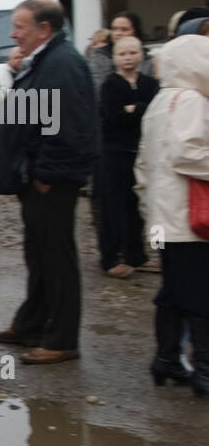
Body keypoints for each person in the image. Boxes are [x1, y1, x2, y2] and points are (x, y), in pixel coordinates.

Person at [0, 0, 99, 365]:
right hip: (35, 178)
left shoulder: (63, 64)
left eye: (20, 27)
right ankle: (31, 324)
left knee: (57, 258)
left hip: (51, 181)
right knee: (38, 254)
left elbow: (68, 127)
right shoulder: (44, 61)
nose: (12, 33)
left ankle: (62, 339)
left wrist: (47, 176)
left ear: (44, 30)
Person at [134, 34, 209, 396]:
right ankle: (204, 370)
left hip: (163, 220)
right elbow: (188, 154)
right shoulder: (192, 99)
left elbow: (143, 165)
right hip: (187, 220)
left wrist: (147, 209)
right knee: (200, 294)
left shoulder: (159, 101)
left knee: (173, 290)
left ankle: (167, 359)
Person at [95, 36, 159, 278]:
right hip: (114, 155)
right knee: (113, 207)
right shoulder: (110, 85)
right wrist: (138, 109)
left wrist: (134, 109)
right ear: (115, 58)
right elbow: (115, 117)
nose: (128, 57)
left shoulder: (150, 83)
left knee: (138, 207)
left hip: (142, 152)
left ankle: (138, 255)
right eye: (122, 53)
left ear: (141, 55)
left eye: (133, 52)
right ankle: (110, 258)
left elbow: (154, 113)